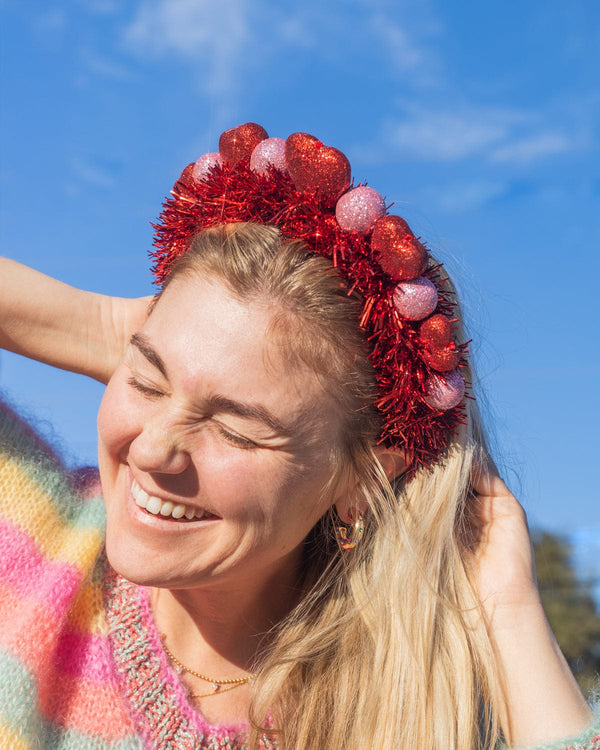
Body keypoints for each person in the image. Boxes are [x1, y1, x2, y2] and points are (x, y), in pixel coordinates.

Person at [0, 123, 597, 750]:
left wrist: (508, 607)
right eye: (146, 382)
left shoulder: (408, 718)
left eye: (234, 429)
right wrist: (103, 326)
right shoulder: (26, 539)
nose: (151, 450)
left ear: (361, 480)